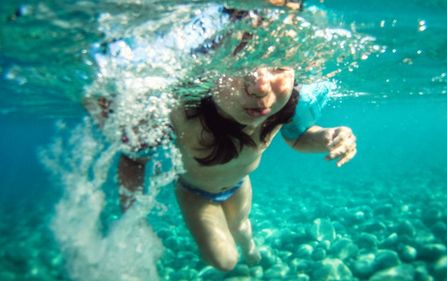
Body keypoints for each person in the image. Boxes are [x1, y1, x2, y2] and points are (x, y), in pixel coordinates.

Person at [85, 1, 357, 273]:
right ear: (214, 65)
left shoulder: (288, 105)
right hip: (196, 195)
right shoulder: (182, 109)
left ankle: (251, 252)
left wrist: (327, 136)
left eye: (277, 66)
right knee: (224, 260)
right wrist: (134, 220)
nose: (260, 88)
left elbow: (297, 138)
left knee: (242, 228)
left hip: (240, 185)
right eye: (240, 65)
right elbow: (134, 160)